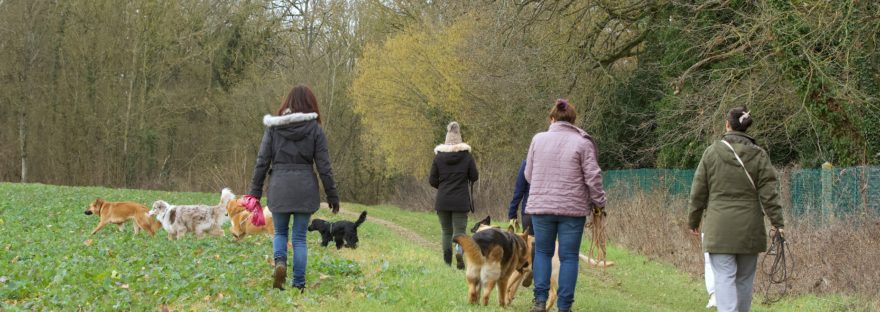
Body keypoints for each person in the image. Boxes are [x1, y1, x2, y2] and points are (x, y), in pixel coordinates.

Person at [688, 107, 784, 312]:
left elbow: (698, 191)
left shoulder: (711, 152)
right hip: (749, 230)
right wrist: (778, 223)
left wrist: (693, 221)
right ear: (747, 126)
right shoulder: (759, 155)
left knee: (723, 278)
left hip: (719, 229)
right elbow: (770, 194)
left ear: (727, 124)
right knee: (744, 281)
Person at [247, 85, 340, 292]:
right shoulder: (315, 129)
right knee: (299, 238)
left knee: (280, 232)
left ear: (286, 104)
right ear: (311, 105)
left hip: (279, 187)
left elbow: (262, 161)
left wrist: (254, 192)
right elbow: (324, 166)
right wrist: (332, 195)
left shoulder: (274, 128)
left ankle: (280, 262)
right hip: (304, 189)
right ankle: (298, 284)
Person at [525, 99, 606, 312]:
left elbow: (528, 174)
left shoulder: (538, 139)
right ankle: (564, 306)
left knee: (542, 252)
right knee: (569, 257)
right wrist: (599, 202)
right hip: (573, 209)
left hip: (541, 207)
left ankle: (539, 301)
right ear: (573, 120)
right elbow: (593, 177)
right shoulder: (583, 142)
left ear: (552, 118)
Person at [429, 121, 478, 270]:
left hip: (443, 200)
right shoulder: (467, 157)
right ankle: (459, 252)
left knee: (446, 231)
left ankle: (446, 263)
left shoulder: (438, 158)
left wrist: (443, 187)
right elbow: (474, 176)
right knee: (460, 232)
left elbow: (432, 180)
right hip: (461, 201)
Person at [508, 160, 533, 236]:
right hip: (549, 212)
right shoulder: (555, 163)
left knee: (530, 243)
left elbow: (519, 190)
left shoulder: (527, 163)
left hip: (529, 210)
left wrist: (512, 213)